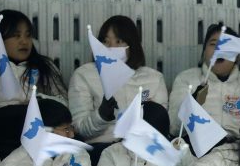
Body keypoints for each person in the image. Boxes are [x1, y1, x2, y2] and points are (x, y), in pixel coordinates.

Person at [69, 15, 168, 144]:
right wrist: (101, 116)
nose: (111, 47)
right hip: (102, 148)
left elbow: (161, 124)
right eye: (105, 41)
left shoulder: (154, 78)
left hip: (142, 149)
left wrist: (148, 112)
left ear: (132, 45)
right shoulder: (84, 75)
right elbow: (79, 128)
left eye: (119, 41)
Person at [168, 23, 240, 137]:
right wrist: (193, 104)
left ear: (236, 55)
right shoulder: (186, 79)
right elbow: (174, 129)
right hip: (197, 149)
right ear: (204, 51)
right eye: (213, 44)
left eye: (226, 46)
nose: (219, 49)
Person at [0, 10, 67, 110]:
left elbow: (64, 103)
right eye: (17, 35)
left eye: (28, 35)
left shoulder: (45, 67)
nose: (24, 41)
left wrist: (39, 101)